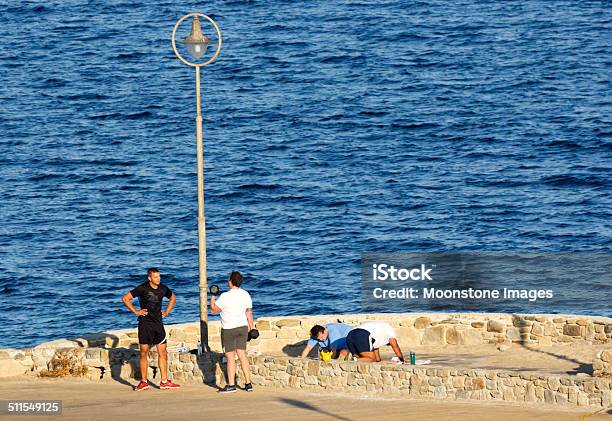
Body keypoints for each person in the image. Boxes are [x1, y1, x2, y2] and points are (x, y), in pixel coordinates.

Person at [121, 267, 181, 391]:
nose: (158, 279)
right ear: (149, 278)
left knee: (163, 352)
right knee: (143, 352)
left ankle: (164, 381)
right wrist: (136, 311)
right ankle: (144, 382)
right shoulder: (142, 288)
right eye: (155, 277)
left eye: (159, 276)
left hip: (158, 324)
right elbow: (125, 298)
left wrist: (167, 312)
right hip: (145, 324)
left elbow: (173, 298)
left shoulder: (163, 288)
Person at [210, 271, 254, 394]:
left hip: (229, 329)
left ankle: (231, 385)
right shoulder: (245, 294)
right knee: (242, 355)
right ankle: (248, 383)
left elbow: (213, 309)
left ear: (231, 281)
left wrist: (213, 295)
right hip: (242, 328)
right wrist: (252, 328)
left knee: (230, 358)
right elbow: (248, 312)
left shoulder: (225, 296)